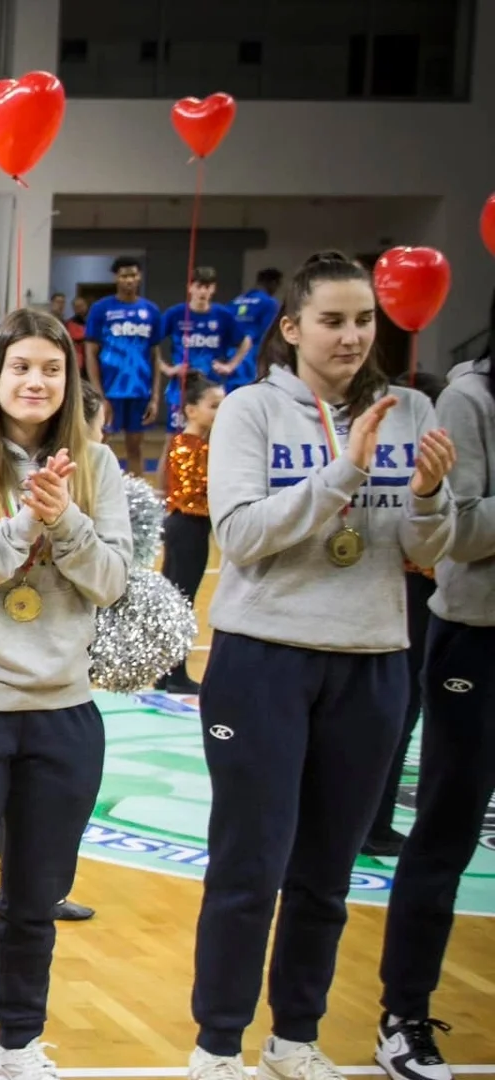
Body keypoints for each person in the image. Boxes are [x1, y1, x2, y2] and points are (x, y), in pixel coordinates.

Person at [186, 251, 456, 1080]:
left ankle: (295, 1037)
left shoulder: (410, 407)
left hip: (373, 661)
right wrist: (344, 473)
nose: (350, 336)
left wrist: (428, 498)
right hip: (262, 660)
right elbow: (239, 536)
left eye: (364, 320)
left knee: (327, 874)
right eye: (332, 320)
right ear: (293, 327)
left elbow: (425, 554)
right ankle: (219, 1044)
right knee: (249, 864)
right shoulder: (250, 411)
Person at [0, 307, 130, 1080]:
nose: (34, 381)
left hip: (64, 714)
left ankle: (17, 1043)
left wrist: (66, 518)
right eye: (19, 367)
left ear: (69, 381)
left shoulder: (98, 467)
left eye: (50, 368)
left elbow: (112, 583)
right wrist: (16, 530)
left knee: (36, 899)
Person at [375, 292, 493, 1080]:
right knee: (447, 829)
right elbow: (459, 528)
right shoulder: (469, 394)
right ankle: (404, 1016)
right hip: (477, 639)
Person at [363, 369, 449, 858]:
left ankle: (376, 818)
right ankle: (374, 821)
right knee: (402, 712)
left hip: (409, 594)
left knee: (402, 713)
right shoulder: (410, 460)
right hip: (407, 594)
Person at [155, 373, 225, 694]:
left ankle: (168, 672)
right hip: (187, 527)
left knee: (182, 600)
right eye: (214, 405)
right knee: (180, 601)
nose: (219, 411)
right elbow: (191, 494)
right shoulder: (185, 445)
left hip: (193, 527)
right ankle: (175, 672)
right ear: (191, 410)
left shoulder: (204, 444)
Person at [83, 257, 162, 475]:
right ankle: (94, 498)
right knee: (100, 446)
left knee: (135, 447)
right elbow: (90, 353)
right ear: (116, 278)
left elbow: (156, 356)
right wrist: (99, 395)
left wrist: (155, 397)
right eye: (124, 275)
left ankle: (139, 503)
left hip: (139, 392)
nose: (129, 280)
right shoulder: (101, 309)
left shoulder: (151, 311)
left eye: (133, 275)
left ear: (140, 277)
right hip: (110, 391)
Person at [154, 268, 248, 431]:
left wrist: (230, 366)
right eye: (199, 286)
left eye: (207, 286)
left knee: (212, 435)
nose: (203, 291)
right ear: (190, 287)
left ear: (213, 289)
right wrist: (166, 368)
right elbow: (152, 342)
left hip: (212, 386)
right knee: (176, 438)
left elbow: (245, 342)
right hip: (182, 388)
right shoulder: (175, 314)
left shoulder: (222, 315)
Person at [226, 268, 283, 392]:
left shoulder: (235, 302)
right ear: (273, 283)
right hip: (251, 363)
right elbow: (270, 335)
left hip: (229, 361)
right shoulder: (269, 303)